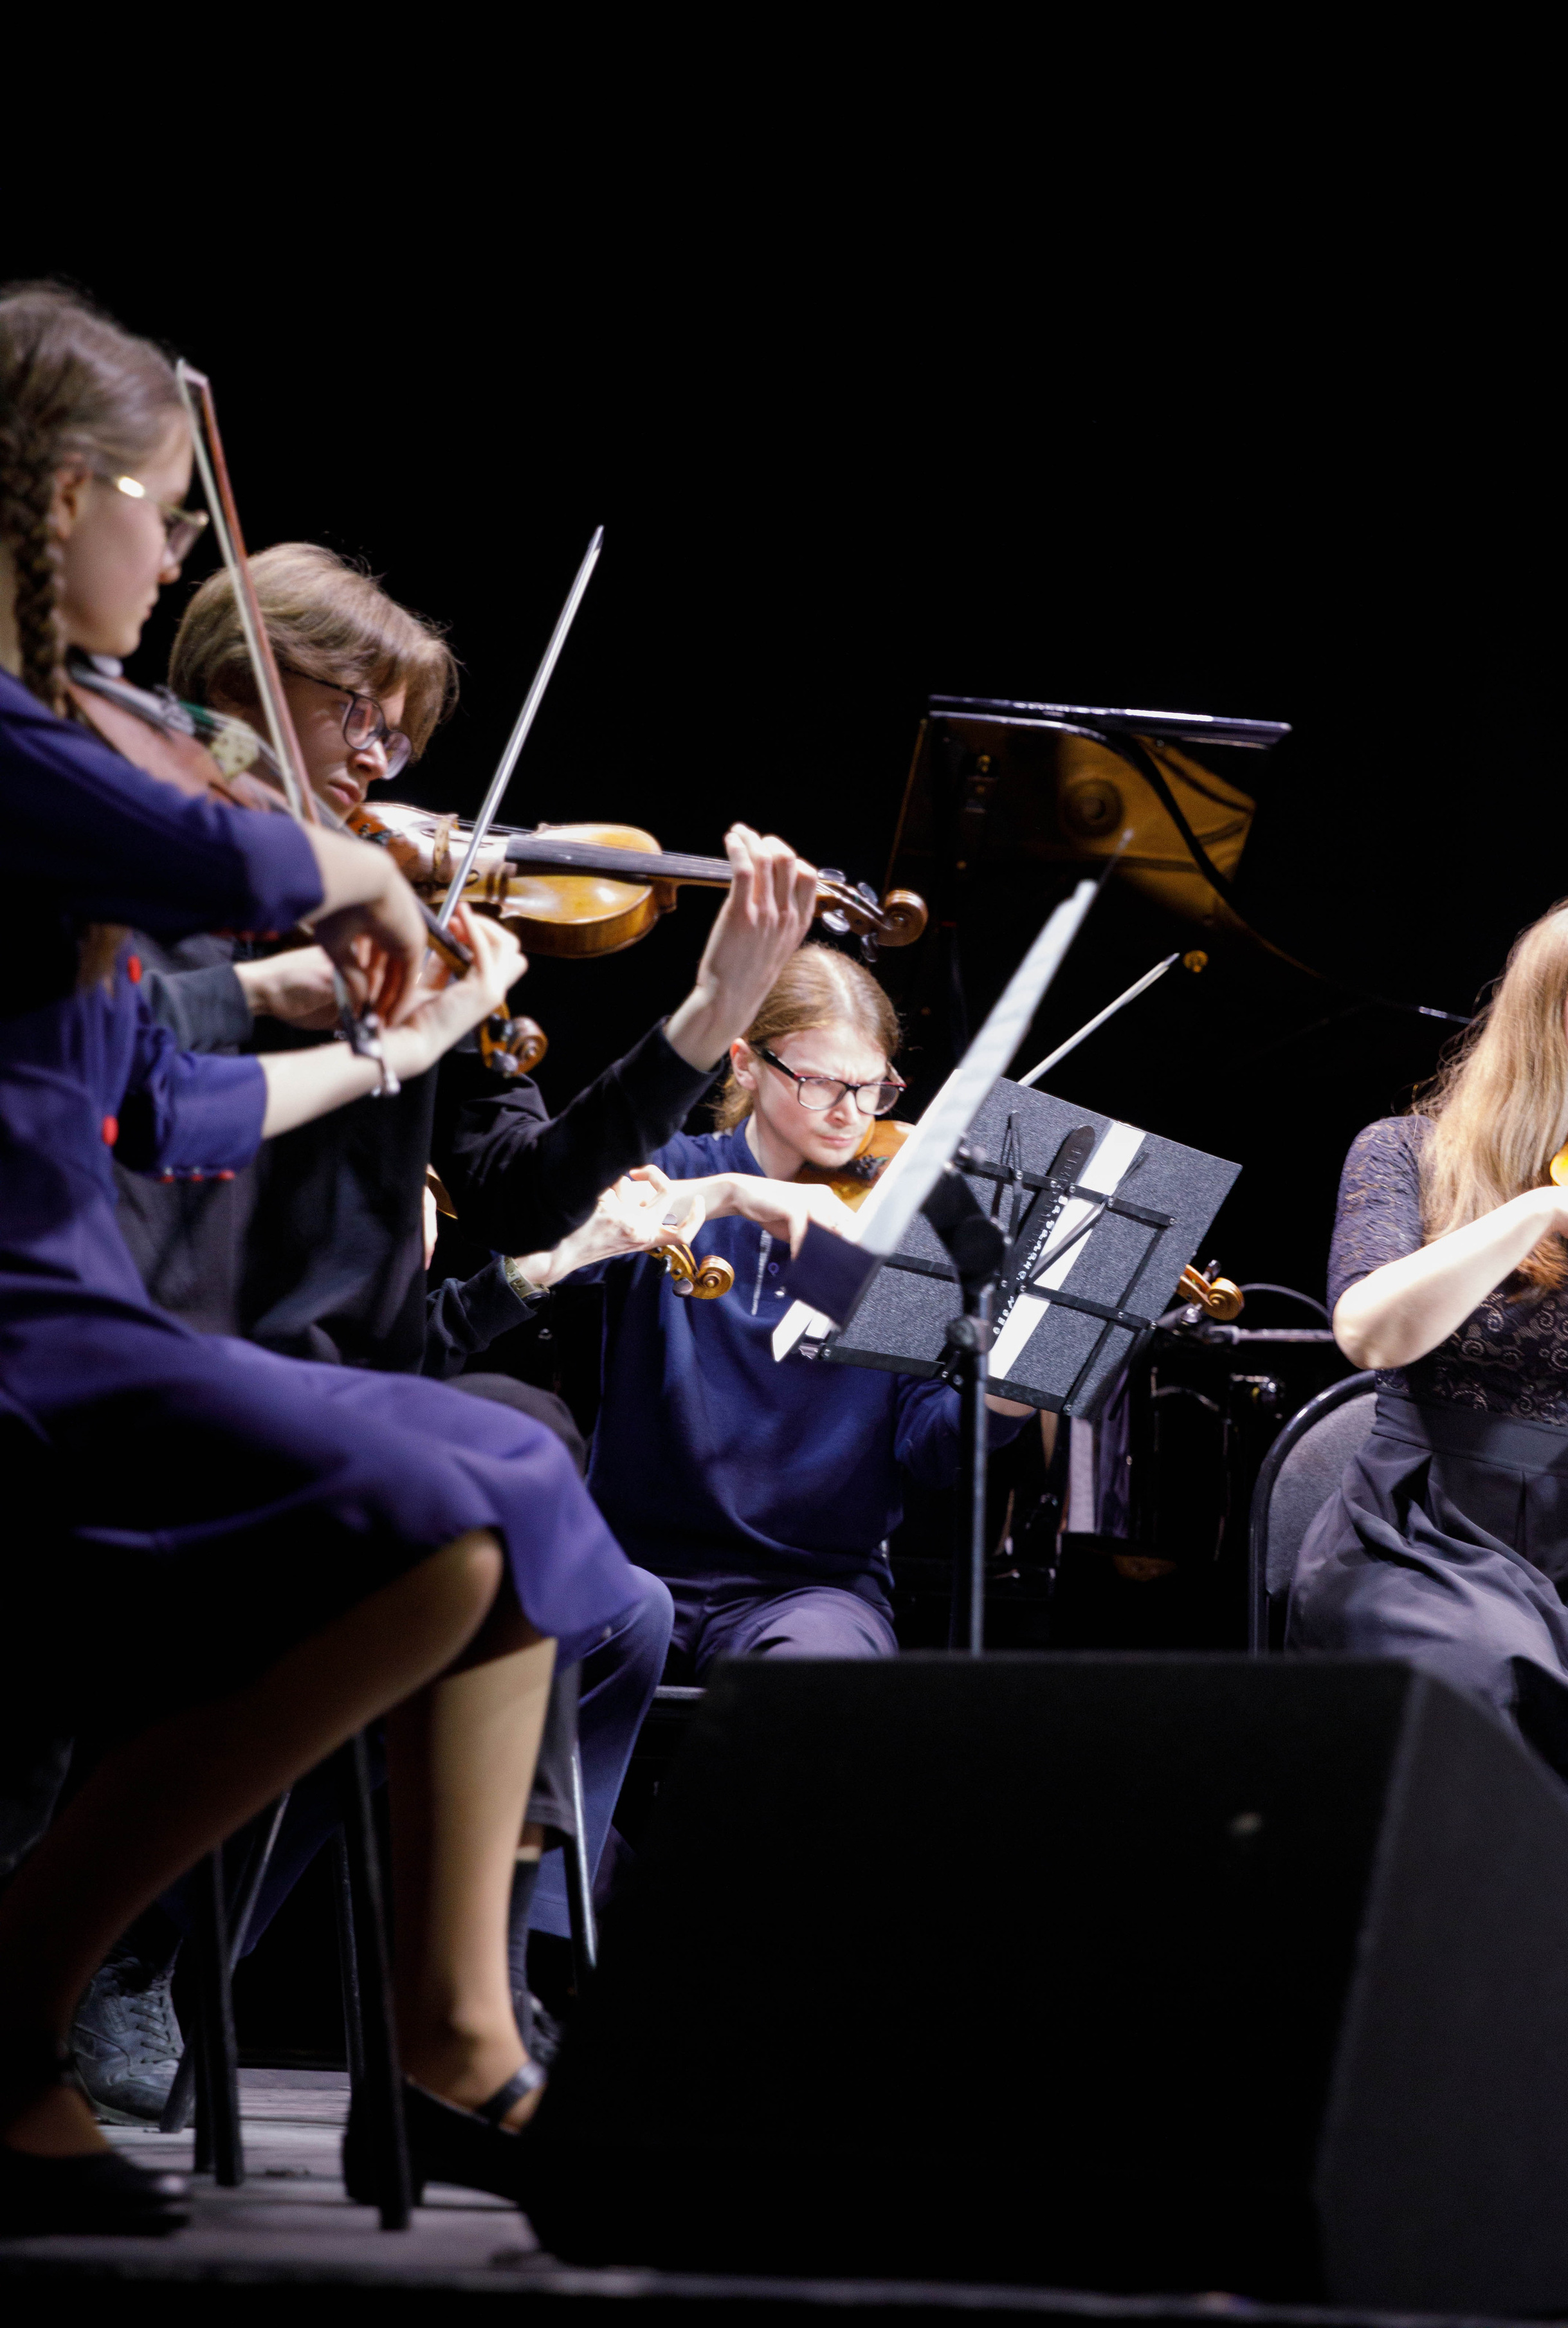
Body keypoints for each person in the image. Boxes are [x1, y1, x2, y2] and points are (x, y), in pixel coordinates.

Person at [0, 282, 648, 2235]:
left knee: (509, 1474)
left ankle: (461, 2032)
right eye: (166, 507)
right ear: (54, 501)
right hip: (30, 1337)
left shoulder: (88, 750)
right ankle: (22, 1985)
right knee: (430, 1509)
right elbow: (195, 851)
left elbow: (151, 1114)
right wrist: (341, 881)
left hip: (77, 1306)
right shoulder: (41, 752)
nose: (178, 544)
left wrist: (329, 1011)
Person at [64, 536, 812, 2120]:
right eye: (359, 715)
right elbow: (144, 1110)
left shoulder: (402, 909)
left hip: (361, 1371)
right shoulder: (178, 899)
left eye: (404, 733)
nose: (388, 769)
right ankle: (147, 1954)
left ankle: (425, 1960)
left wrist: (709, 1013)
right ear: (236, 685)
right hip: (191, 1350)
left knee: (596, 1590)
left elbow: (529, 1185)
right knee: (491, 1524)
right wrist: (363, 1016)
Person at [519, 944, 1034, 1704]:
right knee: (542, 1689)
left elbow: (926, 1447)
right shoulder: (671, 1170)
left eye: (871, 1089)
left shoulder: (902, 1226)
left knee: (807, 1692)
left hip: (815, 1587)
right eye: (820, 1082)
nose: (848, 1115)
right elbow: (543, 1246)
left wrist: (1004, 1399)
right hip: (628, 1564)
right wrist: (726, 1194)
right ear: (745, 1064)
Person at [1288, 886, 1568, 1906]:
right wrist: (1538, 1207)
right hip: (1423, 1532)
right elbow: (1368, 1332)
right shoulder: (1410, 1154)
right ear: (1547, 1012)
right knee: (1484, 1668)